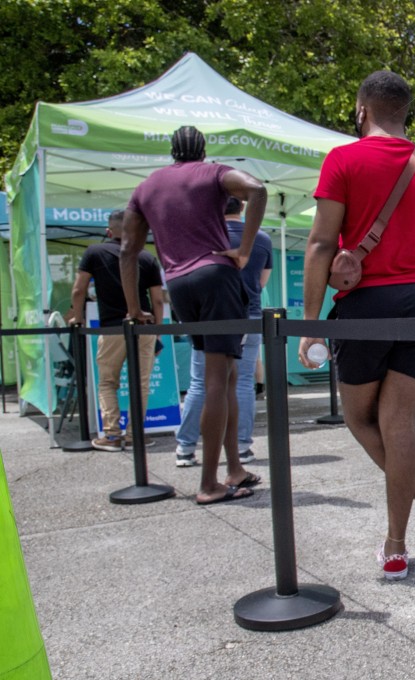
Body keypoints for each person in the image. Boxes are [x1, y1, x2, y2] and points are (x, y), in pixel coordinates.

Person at [299, 71, 415, 580]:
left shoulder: (343, 160)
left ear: (362, 109)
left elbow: (323, 244)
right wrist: (410, 252)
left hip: (364, 304)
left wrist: (310, 325)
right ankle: (407, 535)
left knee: (359, 420)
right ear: (404, 111)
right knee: (399, 425)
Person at [120, 125, 267, 505]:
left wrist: (134, 308)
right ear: (202, 150)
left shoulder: (147, 187)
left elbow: (127, 251)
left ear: (172, 151)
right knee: (219, 379)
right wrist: (245, 250)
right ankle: (209, 483)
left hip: (180, 284)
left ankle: (233, 468)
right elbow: (257, 189)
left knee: (228, 375)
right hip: (216, 277)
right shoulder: (213, 172)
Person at [175, 197, 273, 466]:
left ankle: (185, 447)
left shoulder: (204, 237)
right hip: (249, 314)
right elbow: (261, 282)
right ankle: (242, 446)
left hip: (209, 317)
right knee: (242, 382)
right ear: (242, 208)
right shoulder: (262, 239)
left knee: (200, 382)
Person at [66, 210, 164, 451]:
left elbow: (79, 290)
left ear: (109, 231)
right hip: (144, 327)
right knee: (140, 383)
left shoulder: (94, 252)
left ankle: (111, 435)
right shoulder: (147, 257)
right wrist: (158, 330)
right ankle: (135, 436)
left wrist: (77, 318)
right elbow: (158, 300)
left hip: (111, 327)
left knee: (108, 382)